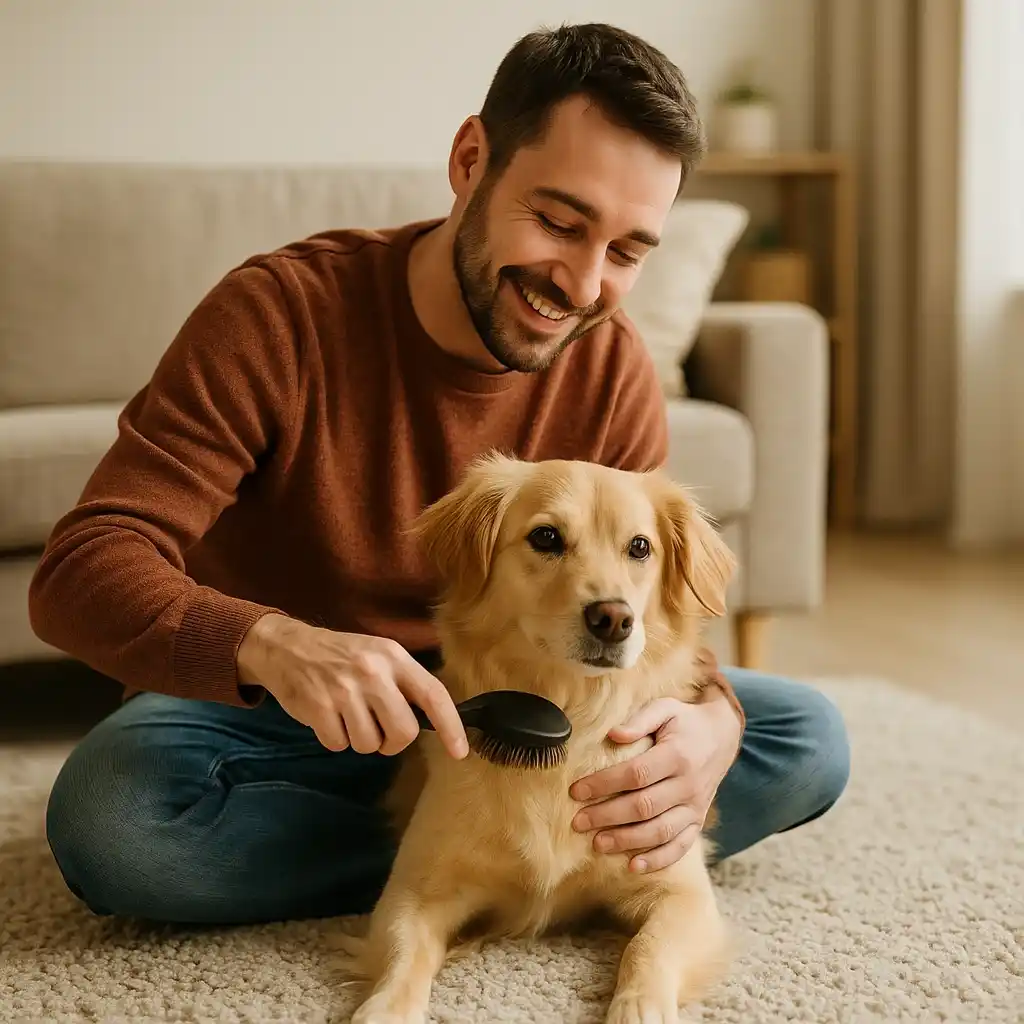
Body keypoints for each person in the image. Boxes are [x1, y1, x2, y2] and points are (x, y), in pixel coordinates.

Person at [31, 22, 849, 926]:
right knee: (115, 819)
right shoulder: (277, 316)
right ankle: (494, 869)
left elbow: (647, 607)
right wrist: (275, 643)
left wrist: (713, 726)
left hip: (518, 719)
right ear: (470, 160)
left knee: (802, 736)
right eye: (559, 222)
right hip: (291, 726)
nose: (580, 286)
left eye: (624, 253)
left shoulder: (610, 361)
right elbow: (81, 571)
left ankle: (470, 867)